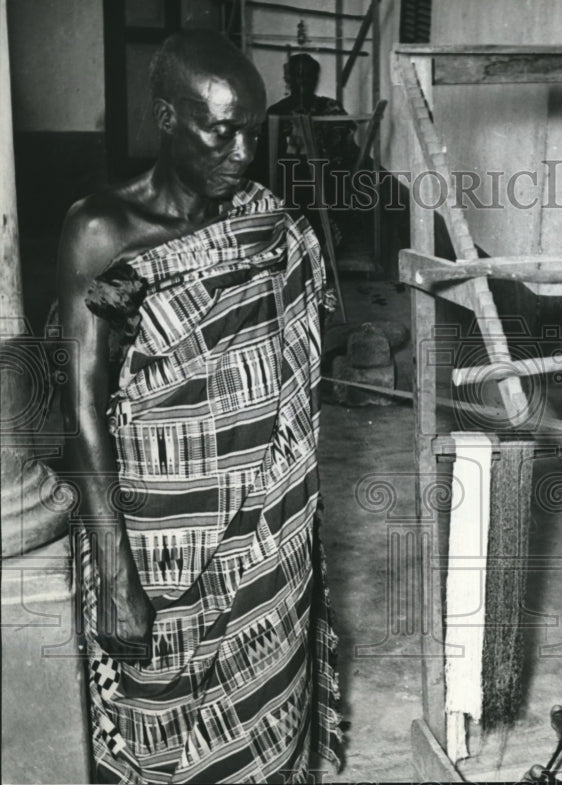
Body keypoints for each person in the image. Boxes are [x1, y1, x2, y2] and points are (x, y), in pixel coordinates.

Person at [57, 29, 342, 783]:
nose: (243, 151)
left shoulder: (267, 228)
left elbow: (304, 366)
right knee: (159, 718)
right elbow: (81, 406)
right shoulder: (103, 230)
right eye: (222, 129)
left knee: (264, 702)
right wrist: (117, 576)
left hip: (270, 530)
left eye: (253, 129)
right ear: (167, 117)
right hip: (159, 538)